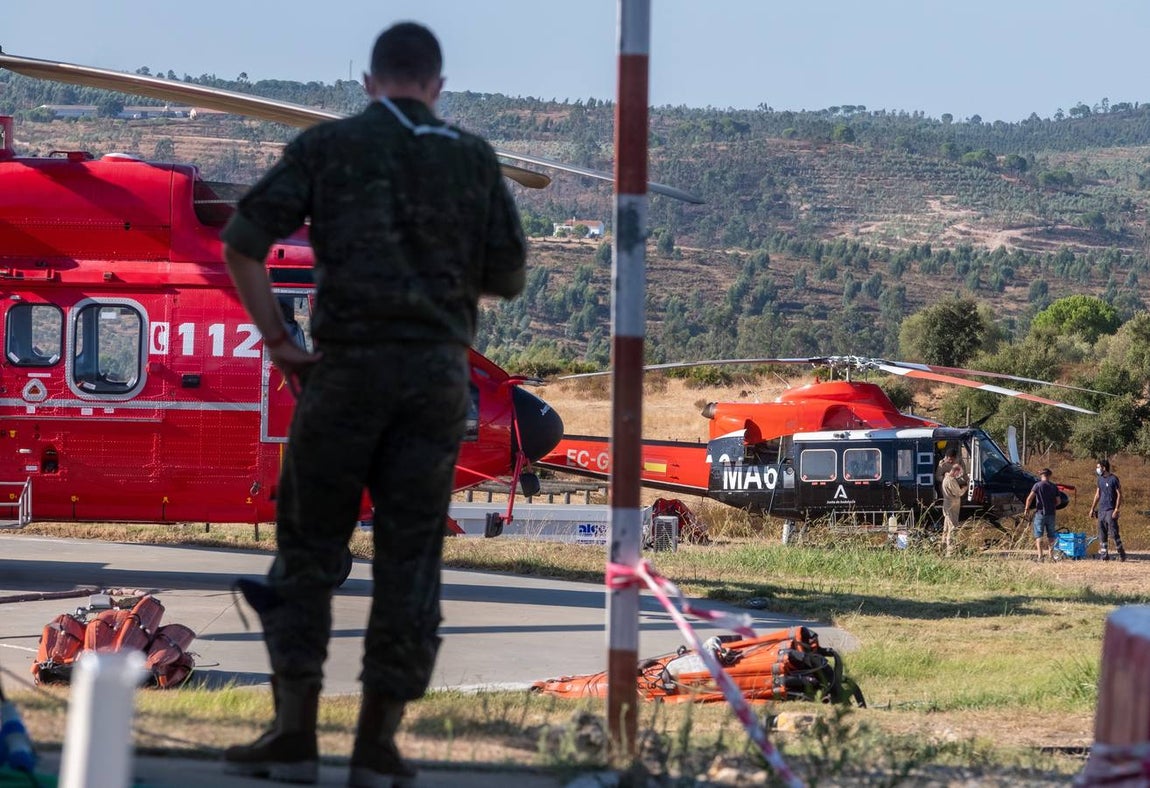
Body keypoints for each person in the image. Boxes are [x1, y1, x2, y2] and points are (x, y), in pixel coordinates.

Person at [219, 22, 526, 785]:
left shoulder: (328, 149)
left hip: (343, 378)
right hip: (432, 388)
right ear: (438, 86)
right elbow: (510, 276)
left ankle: (293, 735)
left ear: (368, 82)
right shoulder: (472, 159)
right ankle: (376, 745)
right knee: (411, 561)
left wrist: (281, 342)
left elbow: (242, 242)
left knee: (309, 553)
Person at [1089, 458, 1126, 562]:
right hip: (1101, 510)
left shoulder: (1114, 479)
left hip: (1111, 509)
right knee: (1102, 533)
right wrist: (1092, 508)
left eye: (1098, 467)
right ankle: (1104, 555)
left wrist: (1116, 509)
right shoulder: (1099, 479)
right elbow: (1097, 494)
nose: (1097, 469)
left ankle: (1121, 553)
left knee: (1113, 533)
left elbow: (1119, 494)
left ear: (1104, 468)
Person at [1024, 468, 1059, 562]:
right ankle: (1051, 556)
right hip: (1051, 513)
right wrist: (1052, 506)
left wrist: (1026, 509)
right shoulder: (1053, 486)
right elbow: (1058, 501)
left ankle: (1040, 557)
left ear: (1041, 475)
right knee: (1051, 536)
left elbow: (1029, 498)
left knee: (1039, 535)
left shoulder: (1037, 485)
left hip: (1040, 513)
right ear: (1049, 475)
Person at [940, 463, 967, 556]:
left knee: (946, 528)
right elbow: (958, 493)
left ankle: (942, 548)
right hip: (952, 506)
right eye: (958, 473)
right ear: (955, 471)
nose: (958, 475)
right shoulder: (950, 480)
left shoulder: (945, 478)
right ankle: (951, 551)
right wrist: (964, 489)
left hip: (947, 505)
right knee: (953, 527)